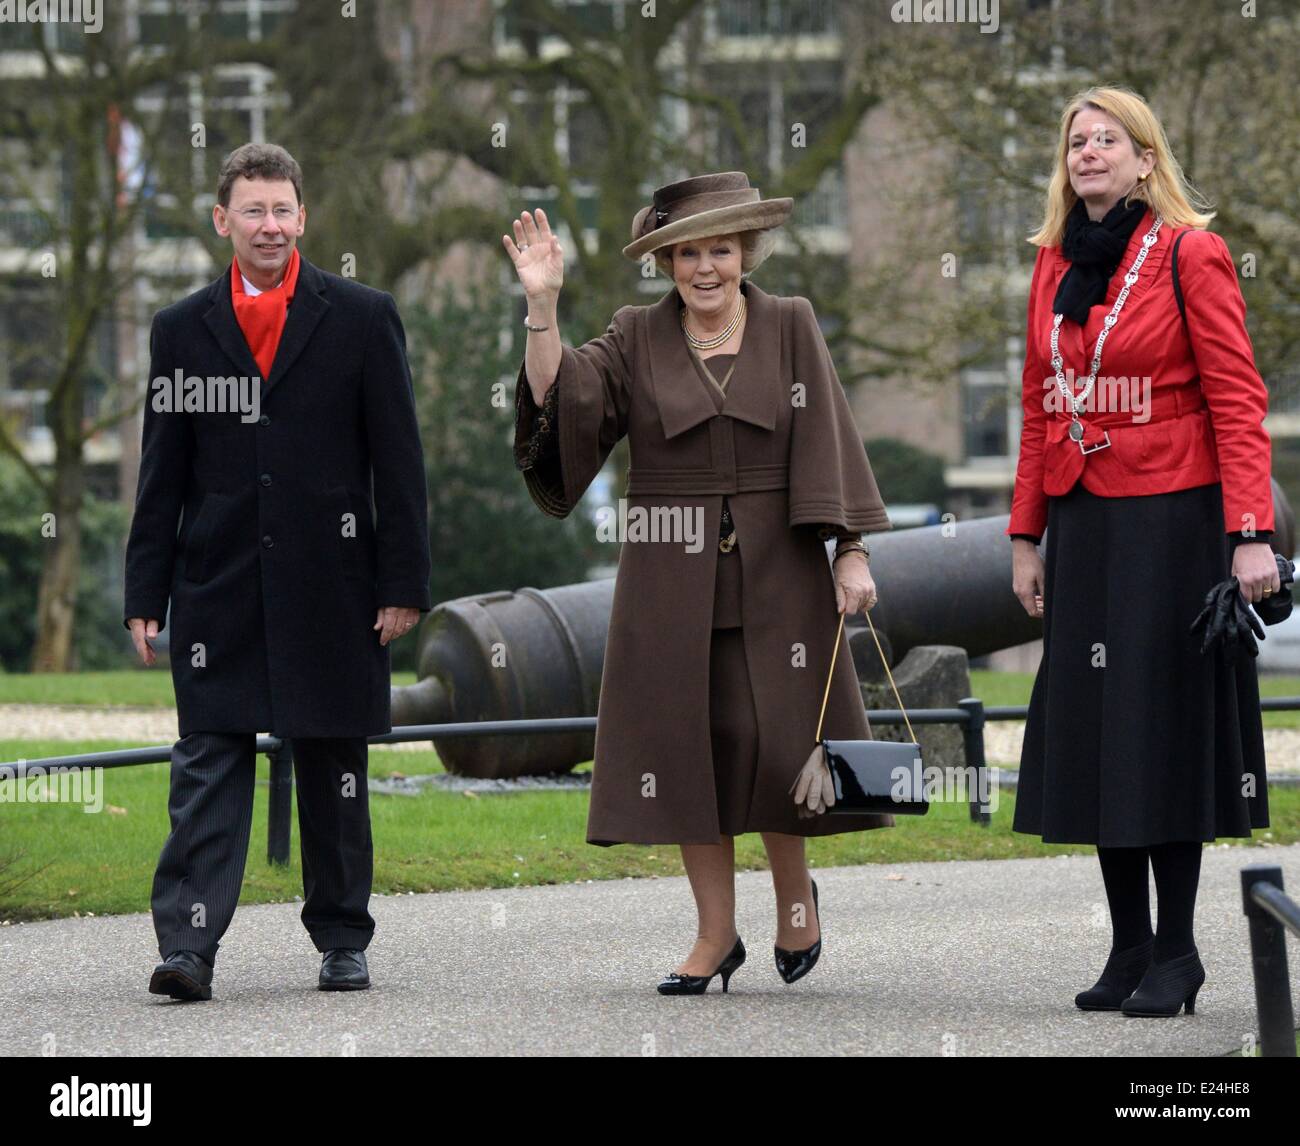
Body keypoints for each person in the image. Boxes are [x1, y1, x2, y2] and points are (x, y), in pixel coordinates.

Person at [507, 172, 895, 994]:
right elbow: (560, 404)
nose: (706, 268)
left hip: (782, 567)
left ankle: (797, 903)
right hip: (666, 579)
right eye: (688, 253)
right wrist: (542, 308)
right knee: (689, 753)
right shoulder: (634, 336)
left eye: (721, 249)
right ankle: (715, 935)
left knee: (783, 740)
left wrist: (849, 549)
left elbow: (826, 432)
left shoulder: (790, 324)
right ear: (667, 261)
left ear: (745, 251)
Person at [123, 143, 431, 999]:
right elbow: (162, 473)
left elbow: (398, 462)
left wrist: (402, 582)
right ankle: (188, 950)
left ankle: (342, 939)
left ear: (304, 218)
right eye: (252, 210)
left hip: (333, 585)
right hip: (215, 587)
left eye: (283, 210)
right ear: (222, 221)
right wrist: (145, 594)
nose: (270, 225)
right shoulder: (180, 330)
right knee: (207, 767)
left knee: (334, 765)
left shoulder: (365, 318)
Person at [1007, 88, 1277, 1017]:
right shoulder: (1049, 267)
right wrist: (1023, 535)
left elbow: (1238, 400)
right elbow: (1040, 405)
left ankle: (1178, 952)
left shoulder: (1191, 253)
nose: (1088, 152)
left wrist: (1251, 534)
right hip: (1084, 521)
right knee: (1096, 734)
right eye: (1076, 141)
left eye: (1107, 140)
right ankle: (1126, 949)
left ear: (1145, 158)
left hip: (1175, 520)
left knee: (1157, 733)